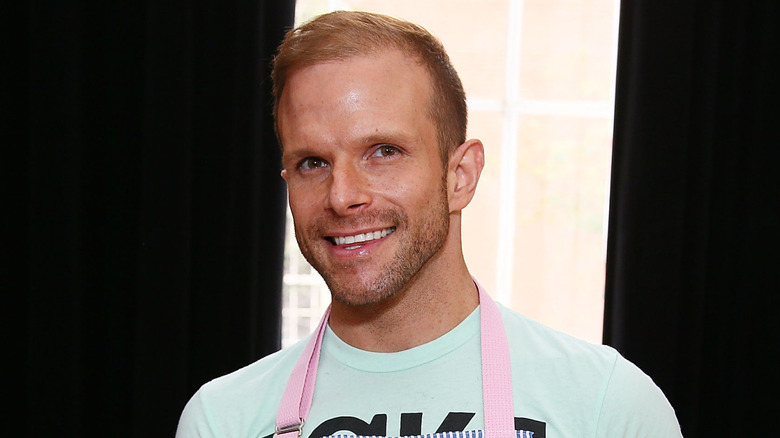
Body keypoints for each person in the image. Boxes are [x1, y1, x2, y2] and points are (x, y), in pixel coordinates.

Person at [176, 10, 682, 438]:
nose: (343, 195)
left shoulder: (605, 407)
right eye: (313, 162)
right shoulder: (223, 419)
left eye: (384, 152)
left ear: (460, 176)